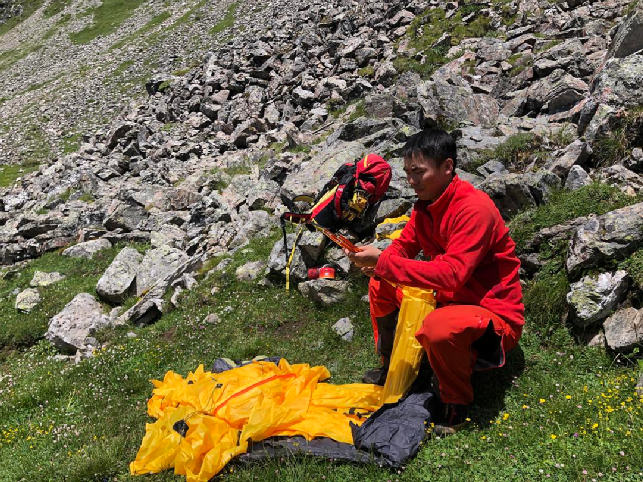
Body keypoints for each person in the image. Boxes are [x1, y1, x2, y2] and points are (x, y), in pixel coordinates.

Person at [344, 128, 524, 435]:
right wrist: (376, 265)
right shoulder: (427, 205)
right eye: (407, 173)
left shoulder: (473, 208)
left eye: (419, 172)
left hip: (492, 319)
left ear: (447, 167)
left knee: (440, 326)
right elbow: (404, 247)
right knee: (381, 285)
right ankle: (391, 367)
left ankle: (455, 403)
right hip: (449, 300)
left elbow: (453, 275)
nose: (411, 181)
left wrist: (385, 262)